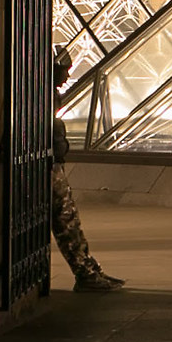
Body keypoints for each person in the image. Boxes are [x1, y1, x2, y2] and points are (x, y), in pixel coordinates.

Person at [52, 48, 124, 293]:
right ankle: (87, 273)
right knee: (66, 220)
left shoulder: (45, 94)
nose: (67, 76)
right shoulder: (41, 96)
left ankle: (89, 271)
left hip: (48, 164)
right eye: (64, 70)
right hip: (45, 167)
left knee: (68, 220)